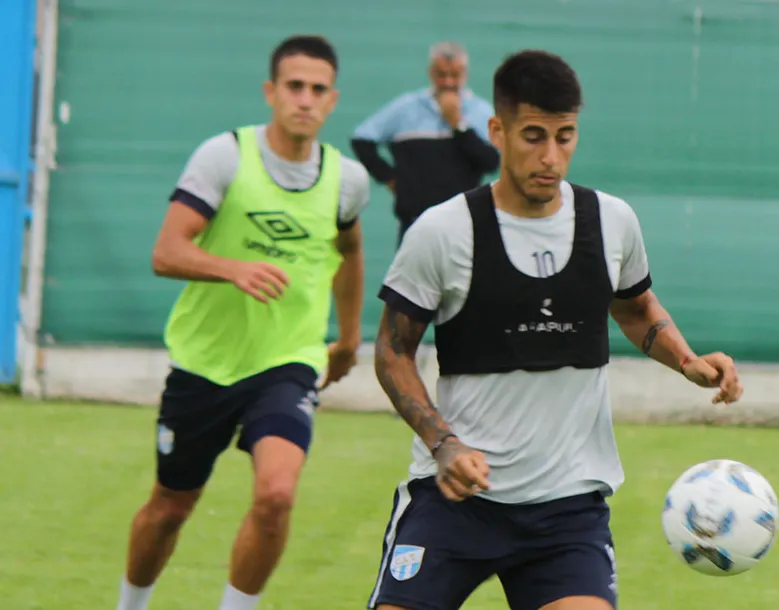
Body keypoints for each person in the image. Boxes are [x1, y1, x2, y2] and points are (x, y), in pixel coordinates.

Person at [368, 49, 744, 610]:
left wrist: (685, 359)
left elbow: (635, 307)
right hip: (455, 501)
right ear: (497, 130)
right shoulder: (444, 232)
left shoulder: (611, 221)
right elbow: (393, 352)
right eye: (534, 135)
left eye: (565, 136)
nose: (551, 156)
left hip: (565, 513)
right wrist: (443, 444)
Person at [114, 35, 369, 610]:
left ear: (332, 100)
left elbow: (349, 252)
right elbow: (166, 251)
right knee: (169, 510)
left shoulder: (347, 180)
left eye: (318, 89)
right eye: (294, 86)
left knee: (276, 495)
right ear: (270, 92)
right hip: (205, 362)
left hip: (288, 360)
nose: (305, 99)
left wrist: (349, 339)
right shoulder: (225, 157)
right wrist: (232, 269)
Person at [350, 41, 500, 244]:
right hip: (414, 224)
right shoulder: (406, 108)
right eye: (441, 74)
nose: (447, 82)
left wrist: (458, 125)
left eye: (454, 75)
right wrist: (390, 178)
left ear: (465, 74)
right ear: (431, 73)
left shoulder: (480, 111)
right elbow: (362, 139)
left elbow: (491, 162)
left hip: (464, 225)